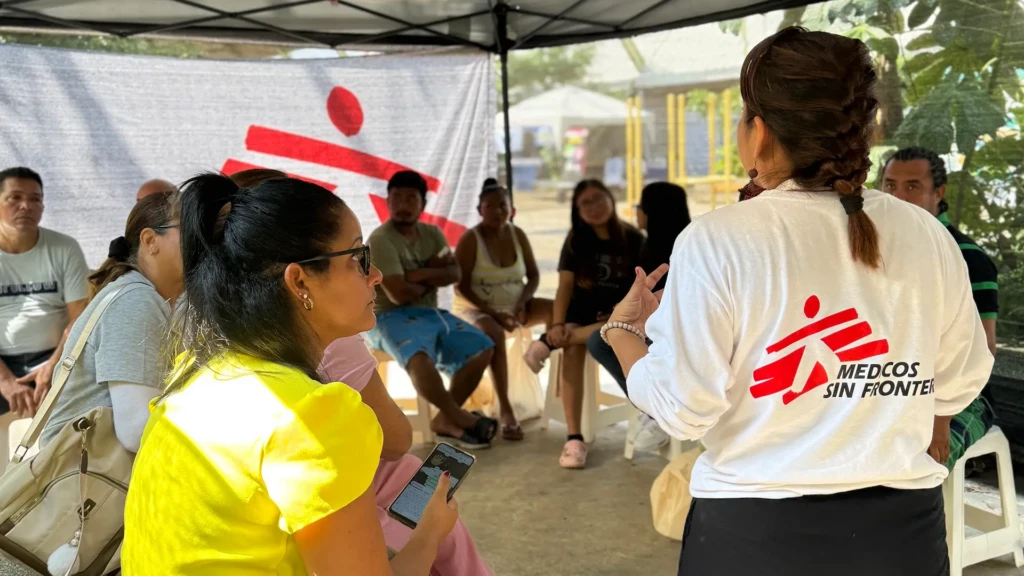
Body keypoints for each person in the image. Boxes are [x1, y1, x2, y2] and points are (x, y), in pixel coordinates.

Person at [606, 28, 992, 575]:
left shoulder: (719, 240)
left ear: (758, 132)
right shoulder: (926, 234)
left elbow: (683, 410)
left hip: (754, 539)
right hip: (901, 536)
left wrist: (623, 334)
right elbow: (959, 380)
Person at [123, 174, 459, 575]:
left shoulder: (196, 378)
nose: (376, 275)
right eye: (358, 257)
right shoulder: (314, 415)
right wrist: (431, 532)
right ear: (300, 281)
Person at [319, 337, 494, 576]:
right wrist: (430, 534)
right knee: (424, 496)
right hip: (330, 510)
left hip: (343, 491)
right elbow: (398, 439)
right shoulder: (332, 344)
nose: (373, 296)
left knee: (408, 473)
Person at [883, 146, 998, 468]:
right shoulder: (877, 247)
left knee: (918, 464)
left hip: (964, 401)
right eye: (890, 185)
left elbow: (984, 350)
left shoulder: (969, 257)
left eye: (913, 186)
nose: (899, 197)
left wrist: (940, 421)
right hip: (894, 391)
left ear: (939, 193)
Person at [40, 191, 182, 451]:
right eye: (191, 231)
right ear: (150, 240)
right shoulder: (135, 299)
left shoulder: (149, 296)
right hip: (86, 483)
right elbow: (137, 431)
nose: (205, 244)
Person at [367, 170, 497, 450]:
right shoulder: (380, 239)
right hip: (387, 317)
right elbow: (398, 295)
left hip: (431, 313)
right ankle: (458, 416)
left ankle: (444, 419)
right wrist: (428, 275)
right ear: (387, 202)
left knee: (483, 347)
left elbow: (453, 273)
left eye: (411, 198)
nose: (403, 204)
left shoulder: (432, 234)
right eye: (397, 198)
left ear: (422, 204)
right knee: (419, 358)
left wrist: (413, 275)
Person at [525, 179, 644, 468]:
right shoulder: (576, 240)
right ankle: (574, 438)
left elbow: (641, 285)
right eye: (585, 203)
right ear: (577, 210)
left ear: (610, 199)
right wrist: (556, 323)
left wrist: (556, 333)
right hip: (580, 315)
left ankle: (544, 344)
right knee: (572, 349)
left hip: (616, 316)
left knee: (610, 327)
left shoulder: (633, 238)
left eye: (598, 199)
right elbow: (564, 287)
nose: (594, 207)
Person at [586, 181, 690, 452]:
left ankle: (652, 406)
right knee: (601, 331)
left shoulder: (659, 248)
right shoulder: (689, 240)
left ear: (652, 212)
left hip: (671, 335)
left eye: (640, 207)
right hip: (681, 331)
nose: (636, 212)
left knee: (599, 340)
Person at [454, 179, 552, 441]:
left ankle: (554, 382)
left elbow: (532, 276)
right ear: (479, 210)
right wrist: (495, 313)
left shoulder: (517, 234)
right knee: (493, 331)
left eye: (503, 206)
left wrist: (522, 302)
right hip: (476, 309)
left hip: (515, 306)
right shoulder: (470, 239)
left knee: (558, 310)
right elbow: (461, 286)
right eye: (490, 206)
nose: (497, 211)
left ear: (512, 210)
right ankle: (506, 409)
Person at [0, 167, 89, 422]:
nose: (26, 205)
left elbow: (79, 318)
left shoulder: (64, 247)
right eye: (14, 198)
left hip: (54, 355)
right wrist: (6, 381)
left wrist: (54, 366)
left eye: (35, 199)